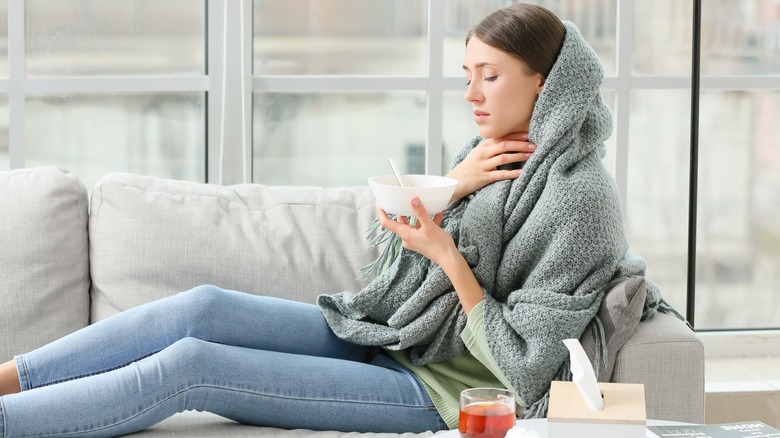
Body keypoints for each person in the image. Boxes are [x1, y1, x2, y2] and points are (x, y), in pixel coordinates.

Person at [0, 3, 676, 437]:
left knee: (193, 368)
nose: (470, 94)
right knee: (201, 307)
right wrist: (451, 185)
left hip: (443, 389)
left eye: (489, 76)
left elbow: (529, 372)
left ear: (546, 83)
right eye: (466, 73)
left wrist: (449, 257)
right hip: (399, 337)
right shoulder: (489, 156)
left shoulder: (578, 201)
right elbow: (395, 256)